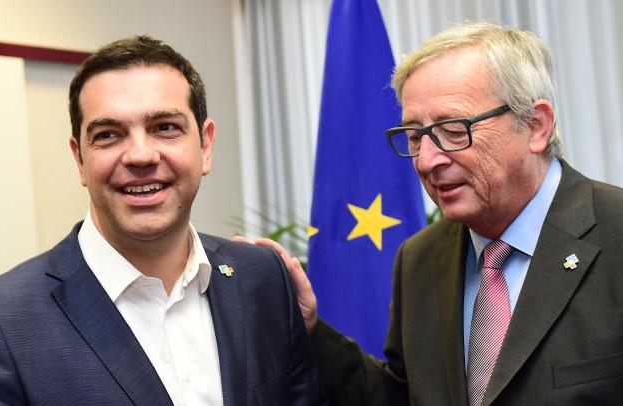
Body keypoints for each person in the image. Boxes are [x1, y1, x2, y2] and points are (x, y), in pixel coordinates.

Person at [244, 22, 623, 405]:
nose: (426, 160)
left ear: (535, 126)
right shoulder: (419, 259)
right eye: (414, 136)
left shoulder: (615, 231)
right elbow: (399, 398)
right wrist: (308, 327)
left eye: (453, 130)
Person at [0, 36, 323, 406]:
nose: (140, 155)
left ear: (205, 145)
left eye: (164, 127)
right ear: (80, 159)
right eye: (108, 135)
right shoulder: (1, 323)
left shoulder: (264, 280)